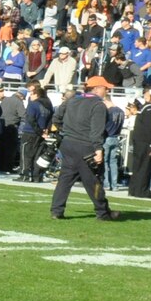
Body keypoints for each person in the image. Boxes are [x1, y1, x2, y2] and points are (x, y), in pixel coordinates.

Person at [50, 76, 122, 222]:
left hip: (68, 144)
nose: (107, 91)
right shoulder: (98, 105)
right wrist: (98, 149)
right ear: (96, 89)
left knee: (65, 179)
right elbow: (97, 130)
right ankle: (103, 212)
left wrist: (65, 131)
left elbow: (56, 118)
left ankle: (56, 211)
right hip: (86, 147)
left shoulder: (71, 100)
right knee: (93, 181)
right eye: (105, 88)